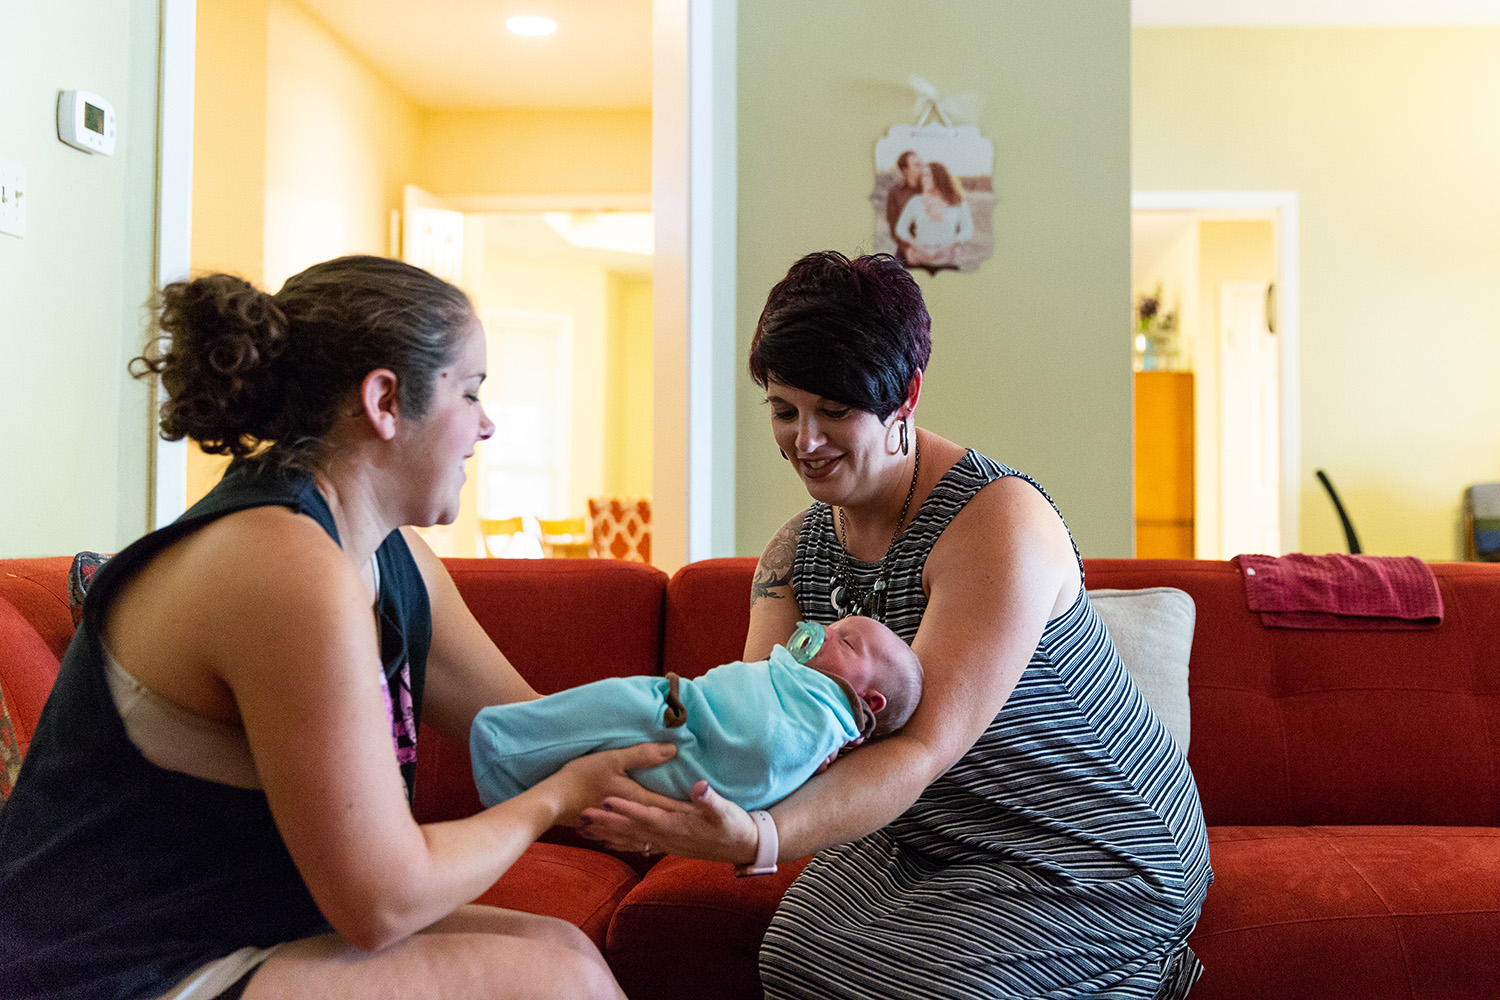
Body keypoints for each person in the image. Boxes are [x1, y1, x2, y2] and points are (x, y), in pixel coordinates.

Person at [0, 256, 675, 1000]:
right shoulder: (280, 562)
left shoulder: (395, 559)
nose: (487, 424)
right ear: (386, 399)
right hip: (105, 969)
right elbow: (382, 902)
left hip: (236, 929)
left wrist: (721, 749)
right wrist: (556, 798)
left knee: (563, 949)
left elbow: (530, 736)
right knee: (549, 982)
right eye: (471, 391)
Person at [578, 251, 1214, 999]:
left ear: (906, 395)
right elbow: (755, 722)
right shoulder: (794, 552)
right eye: (784, 411)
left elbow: (920, 748)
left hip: (1092, 844)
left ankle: (1139, 969)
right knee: (793, 957)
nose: (804, 442)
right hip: (925, 836)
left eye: (835, 411)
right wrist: (644, 779)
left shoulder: (996, 522)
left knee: (922, 985)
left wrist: (761, 838)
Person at [471, 616, 923, 812]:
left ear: (872, 702)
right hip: (692, 717)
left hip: (696, 732)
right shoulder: (812, 698)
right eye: (834, 627)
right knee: (594, 720)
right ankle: (508, 758)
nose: (823, 633)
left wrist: (696, 709)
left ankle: (501, 747)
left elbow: (770, 747)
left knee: (603, 713)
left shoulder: (824, 717)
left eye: (844, 642)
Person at [893, 160, 974, 271]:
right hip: (920, 259)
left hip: (946, 259)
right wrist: (913, 244)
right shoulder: (916, 201)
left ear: (939, 177)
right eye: (923, 175)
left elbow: (967, 229)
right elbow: (900, 228)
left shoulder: (957, 202)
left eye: (927, 175)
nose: (923, 179)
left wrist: (954, 244)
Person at [884, 150, 924, 263]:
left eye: (921, 163)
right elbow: (894, 227)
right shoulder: (895, 193)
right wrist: (907, 250)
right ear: (905, 170)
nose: (921, 167)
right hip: (906, 250)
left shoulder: (931, 189)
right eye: (916, 165)